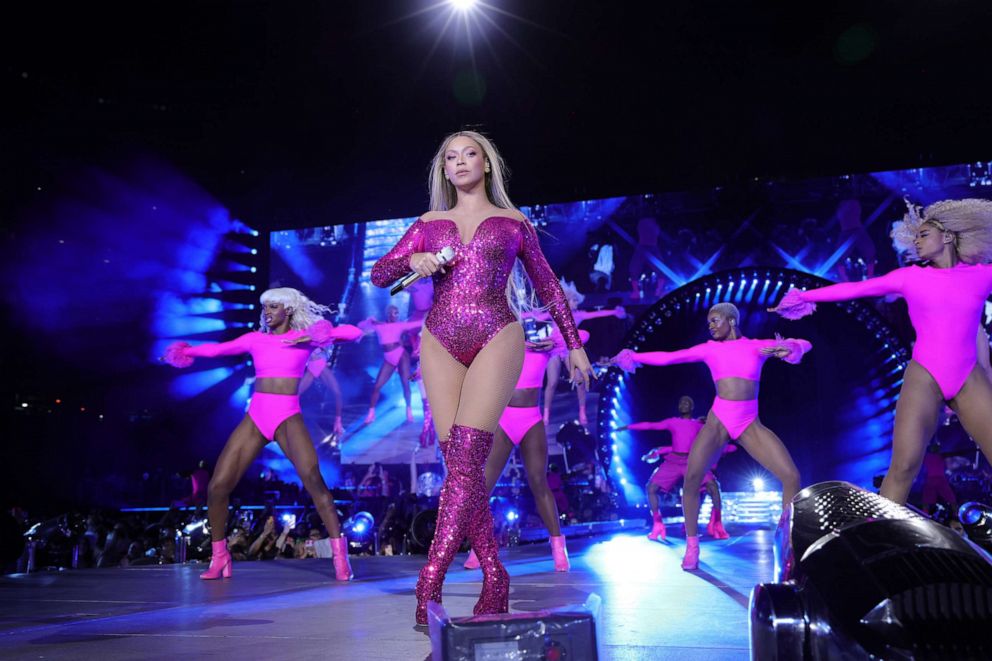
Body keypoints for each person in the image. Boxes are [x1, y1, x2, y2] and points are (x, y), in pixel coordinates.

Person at [370, 130, 592, 625]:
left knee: (469, 456)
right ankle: (495, 573)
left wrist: (573, 345)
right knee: (461, 469)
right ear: (444, 171)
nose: (461, 162)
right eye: (451, 157)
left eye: (470, 153)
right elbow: (380, 274)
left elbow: (547, 284)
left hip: (497, 332)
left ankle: (430, 579)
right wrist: (412, 258)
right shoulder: (428, 223)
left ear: (486, 164)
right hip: (439, 340)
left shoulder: (512, 222)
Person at [771, 198, 992, 506]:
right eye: (915, 237)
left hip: (969, 377)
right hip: (925, 376)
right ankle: (882, 537)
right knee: (902, 468)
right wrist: (805, 296)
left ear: (948, 237)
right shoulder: (910, 277)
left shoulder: (981, 275)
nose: (917, 241)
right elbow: (854, 290)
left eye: (923, 234)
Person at [162, 287, 361, 581]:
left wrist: (321, 334)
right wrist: (187, 351)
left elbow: (354, 333)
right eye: (265, 308)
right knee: (218, 486)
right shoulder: (255, 340)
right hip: (256, 417)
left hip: (287, 416)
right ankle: (220, 558)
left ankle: (340, 557)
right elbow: (218, 350)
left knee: (314, 482)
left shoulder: (301, 339)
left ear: (288, 310)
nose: (267, 313)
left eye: (274, 307)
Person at [612, 303, 810, 569]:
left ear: (732, 320)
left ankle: (787, 545)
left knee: (791, 476)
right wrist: (634, 357)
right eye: (709, 322)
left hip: (749, 422)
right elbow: (670, 357)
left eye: (715, 320)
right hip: (719, 420)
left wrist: (794, 347)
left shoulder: (756, 346)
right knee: (692, 479)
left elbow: (805, 343)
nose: (711, 325)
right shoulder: (709, 348)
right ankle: (692, 546)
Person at [463, 327, 591, 573]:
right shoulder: (500, 344)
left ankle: (558, 546)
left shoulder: (545, 347)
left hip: (531, 420)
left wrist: (551, 341)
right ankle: (478, 548)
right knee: (483, 486)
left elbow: (581, 335)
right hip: (504, 418)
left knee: (538, 483)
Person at [620, 395, 736, 541]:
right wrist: (628, 427)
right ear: (679, 407)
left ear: (692, 407)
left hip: (692, 461)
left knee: (714, 487)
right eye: (681, 402)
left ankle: (717, 523)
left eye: (687, 402)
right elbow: (651, 425)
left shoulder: (699, 425)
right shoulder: (672, 422)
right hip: (673, 462)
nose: (684, 404)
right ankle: (657, 524)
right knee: (651, 488)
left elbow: (723, 435)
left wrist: (713, 429)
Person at [359, 305, 422, 423]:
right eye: (394, 313)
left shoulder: (400, 325)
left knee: (405, 384)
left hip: (401, 355)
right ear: (388, 314)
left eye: (397, 313)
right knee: (377, 386)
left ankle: (409, 411)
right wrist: (370, 321)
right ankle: (371, 414)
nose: (396, 315)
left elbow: (417, 323)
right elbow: (362, 326)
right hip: (388, 359)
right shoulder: (379, 326)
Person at [299, 347, 345, 435]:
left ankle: (338, 423)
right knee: (295, 395)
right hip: (313, 364)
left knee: (337, 393)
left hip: (320, 364)